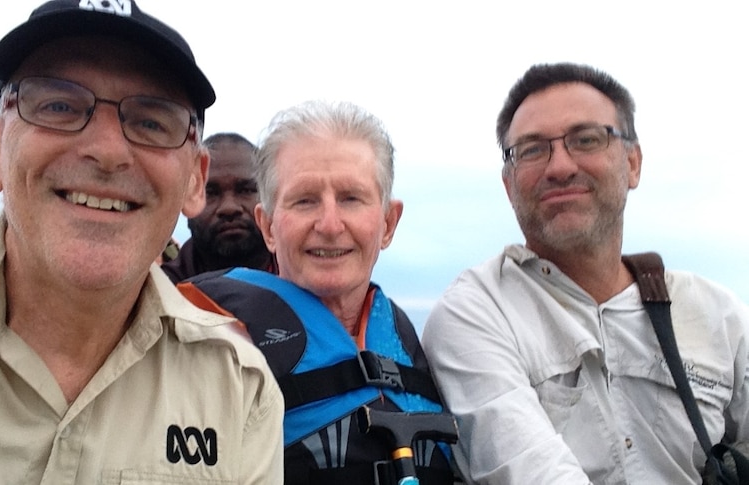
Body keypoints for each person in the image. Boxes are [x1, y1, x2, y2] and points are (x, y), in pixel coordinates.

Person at [0, 1, 283, 483]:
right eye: (57, 105)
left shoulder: (240, 388)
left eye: (151, 122)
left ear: (193, 182)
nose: (109, 151)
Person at [421, 62, 749, 484]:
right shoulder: (477, 312)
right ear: (509, 184)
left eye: (586, 139)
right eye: (533, 149)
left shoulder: (716, 313)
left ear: (633, 163)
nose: (559, 166)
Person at [177, 100, 463, 484]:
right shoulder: (207, 336)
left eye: (351, 198)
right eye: (305, 200)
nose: (329, 224)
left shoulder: (420, 343)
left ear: (388, 223)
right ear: (268, 227)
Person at [162, 132, 275, 281]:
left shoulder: (309, 283)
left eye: (246, 190)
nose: (229, 208)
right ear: (186, 200)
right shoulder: (154, 295)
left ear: (272, 195)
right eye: (210, 193)